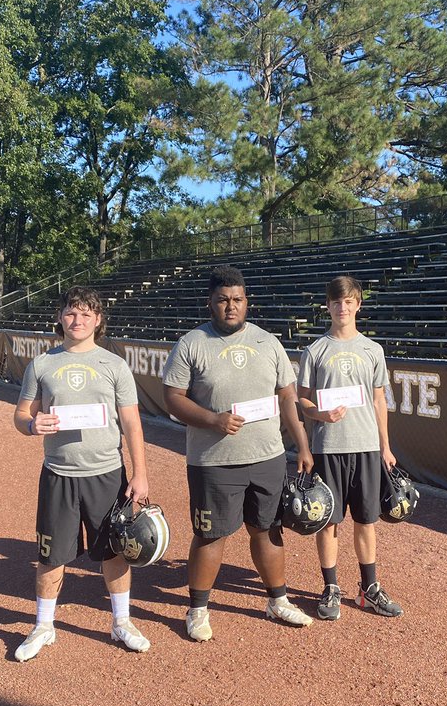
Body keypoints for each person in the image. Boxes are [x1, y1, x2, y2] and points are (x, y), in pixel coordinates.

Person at [162, 265, 314, 641]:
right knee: (211, 535)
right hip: (213, 460)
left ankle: (277, 600)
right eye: (223, 300)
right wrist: (214, 420)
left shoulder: (268, 341)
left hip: (267, 456)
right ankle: (197, 610)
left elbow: (287, 396)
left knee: (268, 529)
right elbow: (172, 399)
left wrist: (302, 444)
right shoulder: (191, 343)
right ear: (210, 303)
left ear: (247, 302)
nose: (231, 307)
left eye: (237, 300)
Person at [12, 285, 151, 661]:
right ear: (60, 317)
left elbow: (132, 425)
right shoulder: (41, 364)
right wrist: (31, 425)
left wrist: (140, 474)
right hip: (58, 473)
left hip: (107, 473)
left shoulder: (114, 364)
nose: (78, 320)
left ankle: (121, 622)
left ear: (98, 320)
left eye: (86, 314)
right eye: (72, 313)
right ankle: (43, 626)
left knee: (114, 553)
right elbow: (21, 415)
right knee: (50, 556)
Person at [296, 274, 403, 621]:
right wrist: (320, 414)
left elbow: (378, 400)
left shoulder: (372, 350)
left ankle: (368, 589)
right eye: (336, 302)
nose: (342, 307)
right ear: (327, 306)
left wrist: (385, 446)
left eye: (348, 301)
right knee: (328, 522)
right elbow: (302, 401)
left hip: (366, 448)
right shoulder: (314, 350)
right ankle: (330, 587)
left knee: (366, 520)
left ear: (358, 304)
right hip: (328, 447)